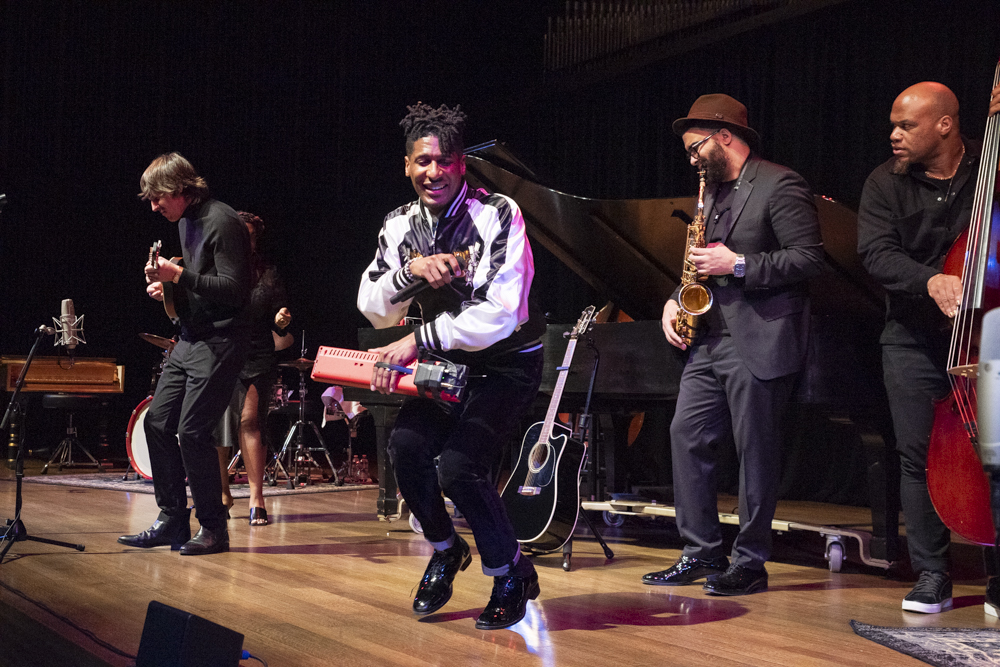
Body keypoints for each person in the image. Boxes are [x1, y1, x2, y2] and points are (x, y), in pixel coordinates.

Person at [357, 102, 546, 629]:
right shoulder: (398, 227)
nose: (432, 172)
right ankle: (445, 549)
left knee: (461, 466)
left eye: (444, 162)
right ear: (406, 165)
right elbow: (372, 303)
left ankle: (510, 572)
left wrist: (420, 338)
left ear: (462, 163)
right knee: (406, 449)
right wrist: (409, 272)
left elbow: (501, 314)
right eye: (422, 162)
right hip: (448, 366)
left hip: (506, 366)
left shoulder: (499, 213)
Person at [644, 94, 825, 595]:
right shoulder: (710, 195)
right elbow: (703, 262)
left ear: (725, 136)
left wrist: (739, 264)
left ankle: (750, 561)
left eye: (696, 146)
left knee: (756, 453)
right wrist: (674, 300)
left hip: (760, 338)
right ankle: (700, 552)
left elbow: (808, 258)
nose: (692, 157)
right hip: (708, 340)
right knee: (686, 435)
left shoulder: (780, 183)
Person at [857, 81, 1000, 614]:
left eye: (906, 125)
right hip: (912, 338)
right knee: (917, 456)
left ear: (945, 124)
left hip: (988, 338)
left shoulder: (990, 174)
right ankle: (932, 574)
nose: (894, 135)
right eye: (893, 124)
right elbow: (875, 253)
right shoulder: (883, 183)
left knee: (995, 457)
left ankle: (997, 577)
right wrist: (931, 281)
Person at [119, 152, 251, 556]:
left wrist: (178, 275)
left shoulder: (222, 220)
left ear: (180, 189)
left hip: (221, 341)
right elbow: (201, 285)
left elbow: (234, 288)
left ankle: (214, 528)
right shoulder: (186, 221)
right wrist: (171, 289)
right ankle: (172, 519)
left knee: (192, 432)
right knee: (157, 423)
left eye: (158, 197)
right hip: (191, 339)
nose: (155, 206)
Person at [215, 211, 293, 527]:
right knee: (219, 425)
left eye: (246, 235)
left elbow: (279, 313)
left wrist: (281, 318)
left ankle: (256, 498)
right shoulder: (215, 268)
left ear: (254, 239)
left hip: (256, 352)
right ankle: (222, 493)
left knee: (250, 421)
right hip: (220, 350)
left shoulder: (267, 274)